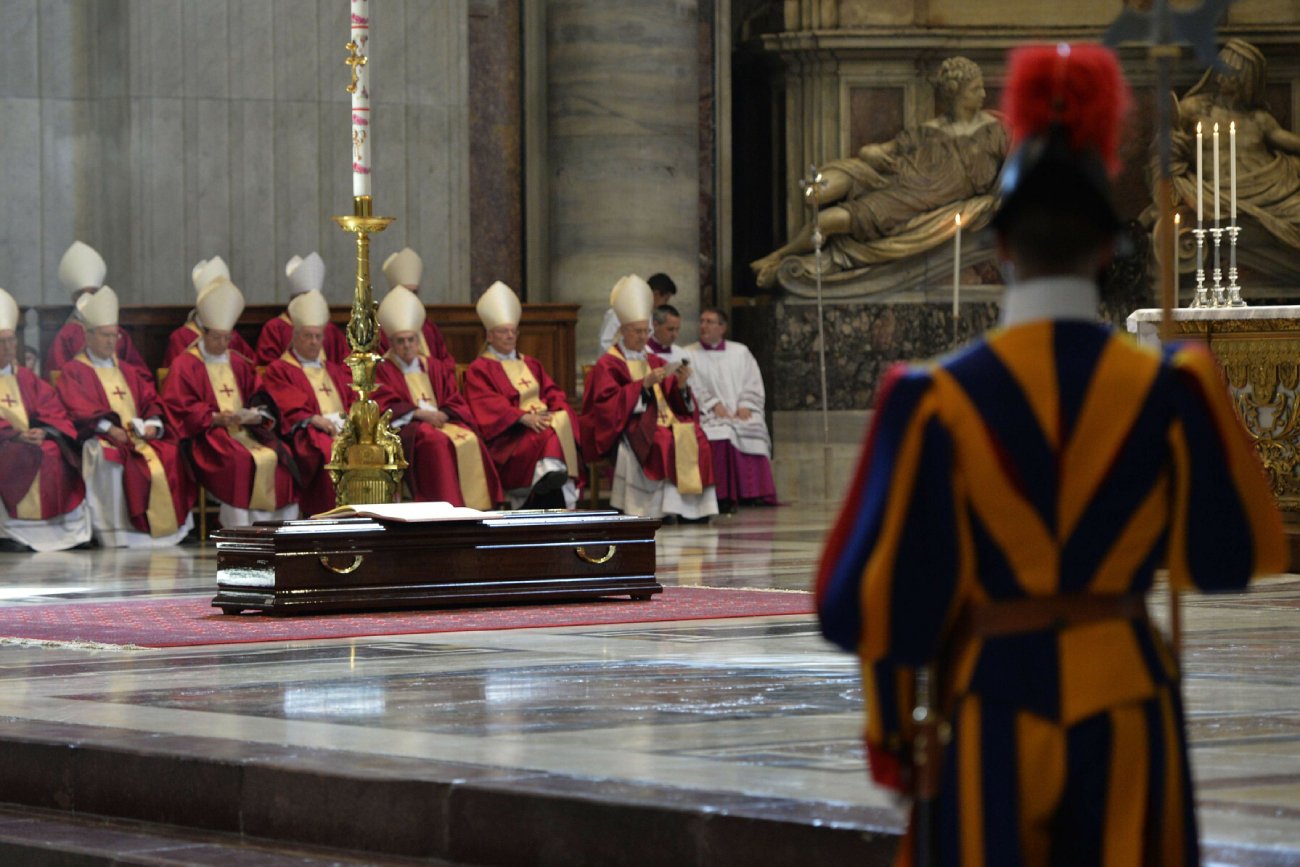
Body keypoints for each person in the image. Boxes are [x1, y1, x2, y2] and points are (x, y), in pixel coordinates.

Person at [815, 44, 1286, 866]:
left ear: (997, 250)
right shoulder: (1177, 388)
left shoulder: (929, 400)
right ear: (1110, 250)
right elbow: (1232, 557)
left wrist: (894, 733)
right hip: (1130, 711)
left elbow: (857, 604)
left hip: (992, 708)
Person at [750, 56, 1008, 288]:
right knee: (816, 194)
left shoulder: (995, 131)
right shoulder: (929, 130)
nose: (984, 95)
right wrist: (869, 152)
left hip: (911, 202)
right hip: (897, 180)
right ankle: (810, 205)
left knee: (826, 222)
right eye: (976, 89)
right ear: (956, 94)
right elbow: (883, 150)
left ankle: (778, 256)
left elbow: (1017, 169)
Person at [56, 286, 195, 547]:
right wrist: (108, 428)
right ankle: (115, 531)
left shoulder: (129, 371)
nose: (111, 342)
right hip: (101, 436)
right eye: (105, 336)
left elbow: (151, 400)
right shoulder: (74, 371)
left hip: (138, 435)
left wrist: (153, 424)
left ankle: (171, 528)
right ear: (88, 336)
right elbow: (76, 408)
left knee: (170, 452)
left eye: (115, 336)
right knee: (107, 456)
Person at [161, 276, 299, 529]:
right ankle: (239, 527)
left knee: (282, 455)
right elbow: (178, 407)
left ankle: (277, 526)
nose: (223, 345)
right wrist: (214, 417)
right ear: (204, 334)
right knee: (240, 459)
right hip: (208, 435)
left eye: (227, 338)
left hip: (246, 430)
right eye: (216, 338)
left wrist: (256, 414)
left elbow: (259, 394)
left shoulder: (238, 362)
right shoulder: (185, 364)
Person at [581, 274, 717, 522]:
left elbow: (673, 398)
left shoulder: (652, 359)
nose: (643, 338)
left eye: (646, 332)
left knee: (695, 434)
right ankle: (657, 510)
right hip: (630, 423)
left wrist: (681, 386)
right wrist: (641, 386)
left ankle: (691, 511)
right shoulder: (609, 364)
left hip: (662, 419)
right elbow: (604, 406)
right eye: (637, 332)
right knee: (662, 439)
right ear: (623, 331)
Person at [374, 286, 502, 509]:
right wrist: (419, 414)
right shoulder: (383, 368)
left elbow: (452, 396)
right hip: (406, 430)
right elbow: (382, 403)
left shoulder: (432, 365)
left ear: (418, 340)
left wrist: (443, 413)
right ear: (391, 344)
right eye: (400, 341)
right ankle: (444, 506)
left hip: (441, 421)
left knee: (469, 437)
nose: (406, 346)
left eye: (410, 340)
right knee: (435, 440)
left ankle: (479, 507)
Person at [1168, 38, 1300, 251]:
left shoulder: (1259, 119)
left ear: (1246, 81)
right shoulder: (1194, 109)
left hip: (1273, 192)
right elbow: (1168, 144)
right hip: (1217, 194)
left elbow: (1291, 142)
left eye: (1229, 74)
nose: (1220, 78)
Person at [465, 281, 582, 510]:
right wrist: (521, 417)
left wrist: (557, 410)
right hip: (510, 434)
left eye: (513, 331)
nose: (510, 336)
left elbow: (552, 391)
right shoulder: (480, 368)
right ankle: (547, 487)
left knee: (559, 423)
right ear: (489, 335)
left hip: (540, 422)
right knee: (549, 434)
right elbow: (486, 404)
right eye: (503, 332)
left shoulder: (530, 363)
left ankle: (548, 483)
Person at [0, 287, 91, 551]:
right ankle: (10, 533)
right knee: (19, 452)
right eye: (1, 341)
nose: (8, 347)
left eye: (11, 341)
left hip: (31, 439)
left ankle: (55, 531)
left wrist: (45, 432)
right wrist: (15, 434)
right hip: (6, 442)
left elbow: (51, 409)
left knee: (53, 450)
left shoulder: (26, 377)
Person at [262, 290, 355, 517]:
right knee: (329, 449)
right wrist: (314, 418)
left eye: (318, 336)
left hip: (342, 428)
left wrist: (353, 418)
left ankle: (361, 511)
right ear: (294, 337)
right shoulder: (280, 369)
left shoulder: (333, 369)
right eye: (307, 336)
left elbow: (353, 398)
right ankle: (327, 514)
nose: (314, 342)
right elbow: (286, 403)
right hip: (307, 431)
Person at [682, 307, 777, 510]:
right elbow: (692, 384)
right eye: (701, 321)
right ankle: (723, 493)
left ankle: (753, 493)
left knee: (754, 425)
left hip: (739, 410)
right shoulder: (688, 354)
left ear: (722, 327)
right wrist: (713, 405)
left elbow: (753, 382)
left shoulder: (740, 352)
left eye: (709, 321)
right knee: (722, 432)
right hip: (711, 413)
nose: (703, 326)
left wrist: (746, 405)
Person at [46, 241, 147, 374]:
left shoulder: (119, 334)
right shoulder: (67, 335)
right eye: (82, 294)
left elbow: (141, 375)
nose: (87, 298)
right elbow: (57, 376)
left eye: (93, 293)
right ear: (74, 299)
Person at [256, 253, 350, 366]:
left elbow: (347, 367)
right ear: (294, 301)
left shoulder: (330, 330)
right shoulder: (275, 328)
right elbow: (266, 369)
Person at [162, 257, 254, 367]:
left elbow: (253, 370)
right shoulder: (181, 338)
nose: (222, 343)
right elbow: (172, 377)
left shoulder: (232, 337)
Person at [376, 247, 455, 367]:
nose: (410, 298)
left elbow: (446, 361)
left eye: (414, 292)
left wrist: (436, 373)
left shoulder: (428, 328)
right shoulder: (381, 332)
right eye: (405, 292)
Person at [598, 272, 677, 354]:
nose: (666, 304)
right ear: (655, 294)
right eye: (666, 299)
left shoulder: (648, 315)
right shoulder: (618, 312)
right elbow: (605, 344)